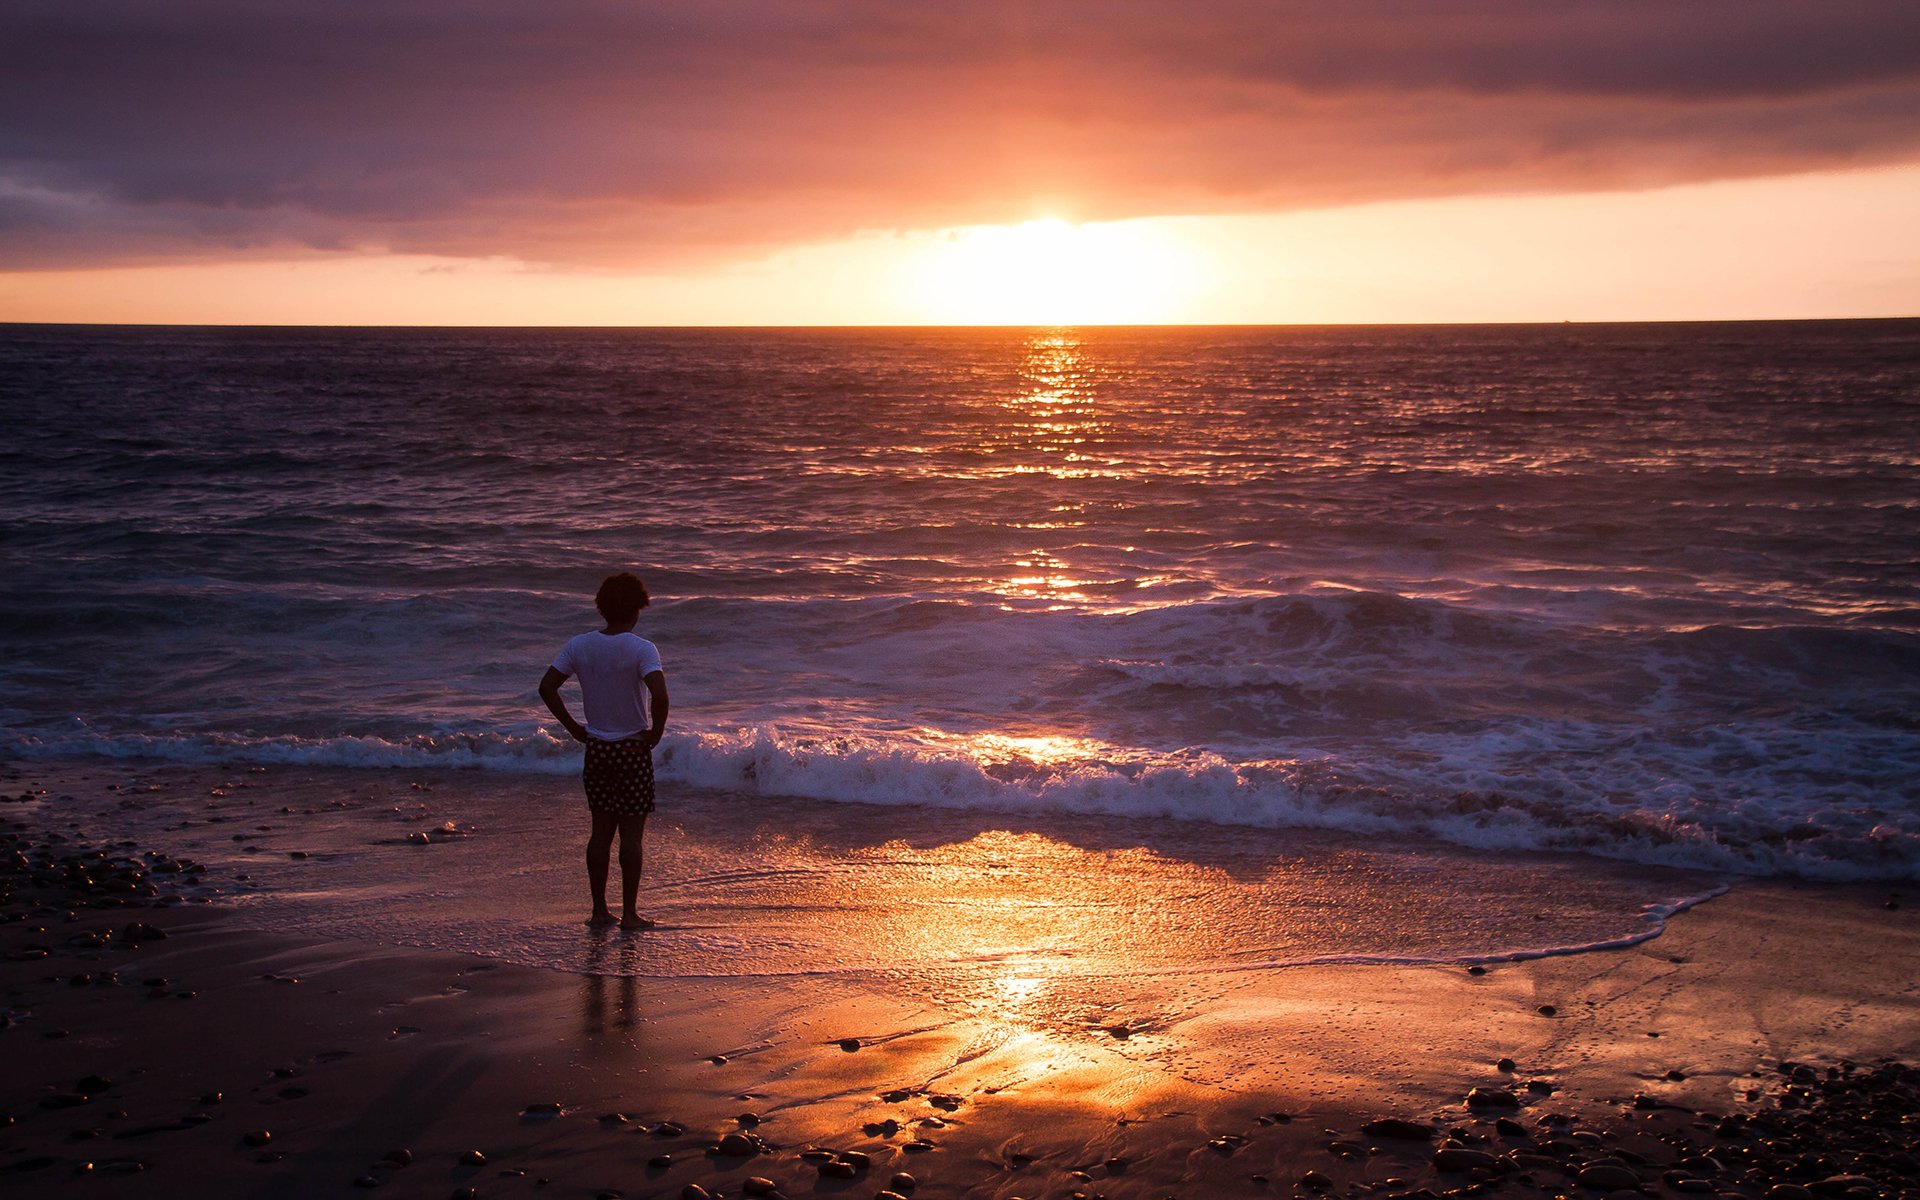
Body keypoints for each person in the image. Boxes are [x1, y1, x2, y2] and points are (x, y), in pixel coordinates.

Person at [538, 572, 669, 932]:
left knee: (600, 833)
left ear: (602, 608)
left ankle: (599, 911)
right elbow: (659, 695)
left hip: (597, 748)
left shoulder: (579, 645)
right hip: (631, 749)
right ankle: (629, 914)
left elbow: (547, 687)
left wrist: (574, 728)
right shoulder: (642, 648)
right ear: (638, 609)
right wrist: (655, 734)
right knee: (631, 836)